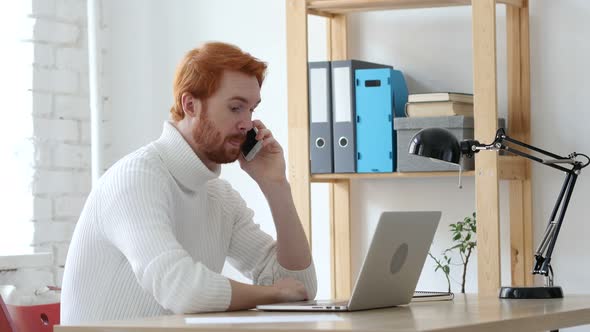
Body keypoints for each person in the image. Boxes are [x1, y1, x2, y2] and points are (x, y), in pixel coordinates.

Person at [60, 42, 317, 324]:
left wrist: (276, 185)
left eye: (251, 110)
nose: (247, 124)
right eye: (235, 108)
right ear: (190, 104)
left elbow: (299, 286)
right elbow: (182, 289)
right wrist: (272, 295)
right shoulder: (135, 179)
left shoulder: (220, 197)